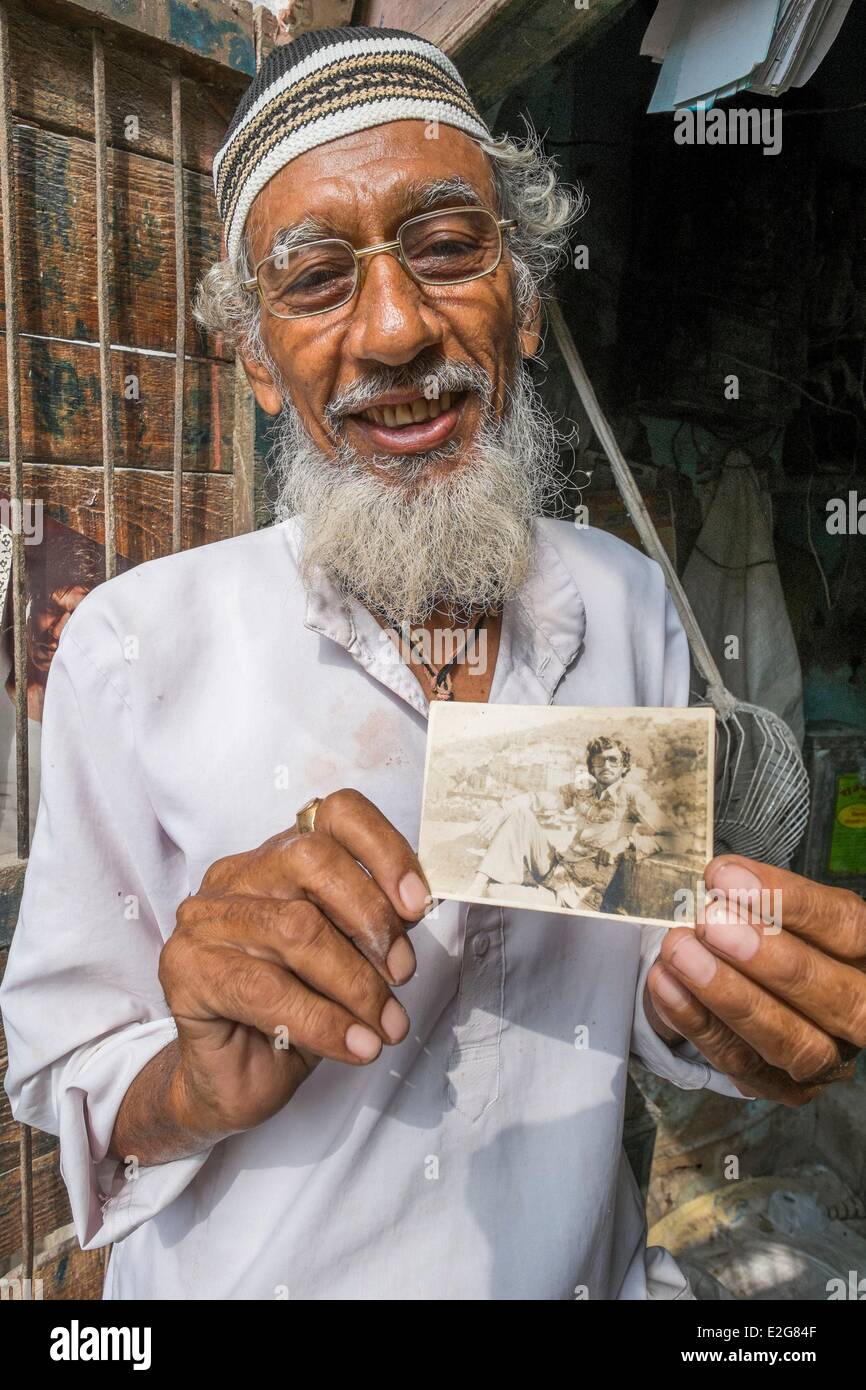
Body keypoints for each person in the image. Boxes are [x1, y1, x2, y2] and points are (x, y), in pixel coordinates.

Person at [1, 26, 864, 1302]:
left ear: (519, 303)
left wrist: (710, 1011)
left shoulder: (623, 599)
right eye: (313, 281)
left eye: (448, 249)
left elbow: (632, 989)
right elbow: (56, 1066)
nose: (398, 329)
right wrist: (189, 1082)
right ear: (252, 361)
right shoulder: (134, 649)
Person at [468, 736, 674, 911]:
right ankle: (473, 889)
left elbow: (677, 839)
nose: (606, 766)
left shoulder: (631, 795)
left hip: (578, 895)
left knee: (494, 893)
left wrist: (628, 841)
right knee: (520, 815)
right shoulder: (583, 790)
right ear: (592, 766)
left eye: (613, 760)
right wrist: (503, 809)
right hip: (556, 869)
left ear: (624, 766)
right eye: (600, 760)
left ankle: (494, 889)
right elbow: (538, 799)